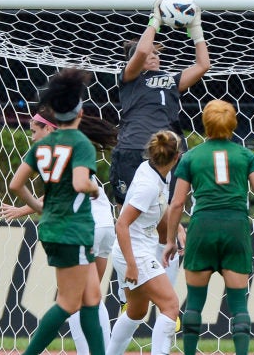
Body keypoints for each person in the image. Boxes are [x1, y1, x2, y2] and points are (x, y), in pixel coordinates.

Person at [109, 0, 210, 314]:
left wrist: (196, 29)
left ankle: (167, 303)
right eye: (152, 53)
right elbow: (139, 51)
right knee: (130, 221)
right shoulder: (129, 79)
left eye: (156, 53)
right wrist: (155, 19)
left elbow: (203, 66)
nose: (154, 56)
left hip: (166, 158)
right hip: (131, 154)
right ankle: (128, 283)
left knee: (171, 228)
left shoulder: (170, 82)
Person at [0, 108, 117, 355]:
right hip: (88, 227)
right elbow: (79, 183)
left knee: (87, 299)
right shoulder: (78, 145)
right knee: (80, 301)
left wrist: (32, 208)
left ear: (50, 127)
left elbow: (17, 185)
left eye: (33, 131)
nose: (31, 136)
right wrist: (91, 189)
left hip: (70, 229)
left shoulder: (43, 151)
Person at [162, 99, 254, 355]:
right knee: (238, 304)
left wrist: (171, 239)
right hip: (235, 226)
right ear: (233, 124)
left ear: (205, 124)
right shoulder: (245, 155)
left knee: (194, 304)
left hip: (202, 227)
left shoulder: (191, 157)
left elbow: (177, 203)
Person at [106, 130, 182, 355]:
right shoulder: (148, 186)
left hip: (135, 251)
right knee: (171, 306)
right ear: (176, 157)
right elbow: (122, 224)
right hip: (135, 254)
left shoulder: (155, 171)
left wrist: (171, 237)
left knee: (136, 312)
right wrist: (131, 264)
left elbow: (160, 210)